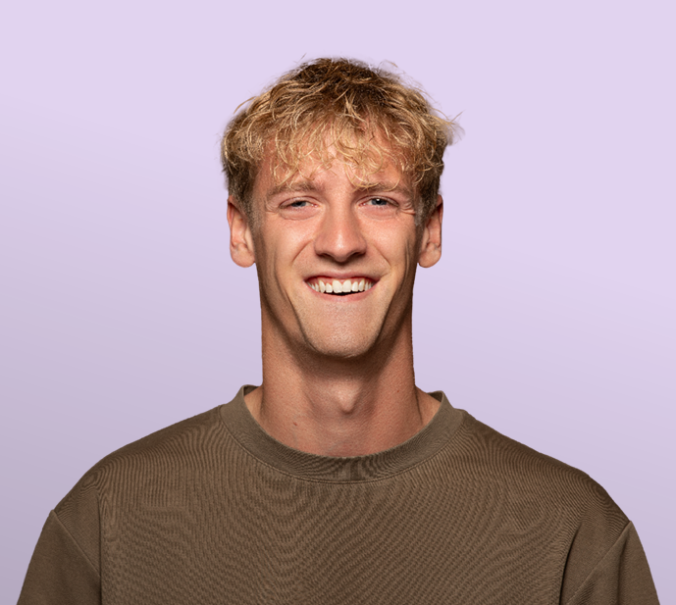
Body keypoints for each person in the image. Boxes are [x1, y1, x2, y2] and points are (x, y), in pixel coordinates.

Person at [18, 58, 659, 604]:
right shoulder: (109, 520)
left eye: (378, 200)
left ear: (430, 231)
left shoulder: (570, 534)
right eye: (299, 201)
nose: (342, 242)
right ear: (242, 231)